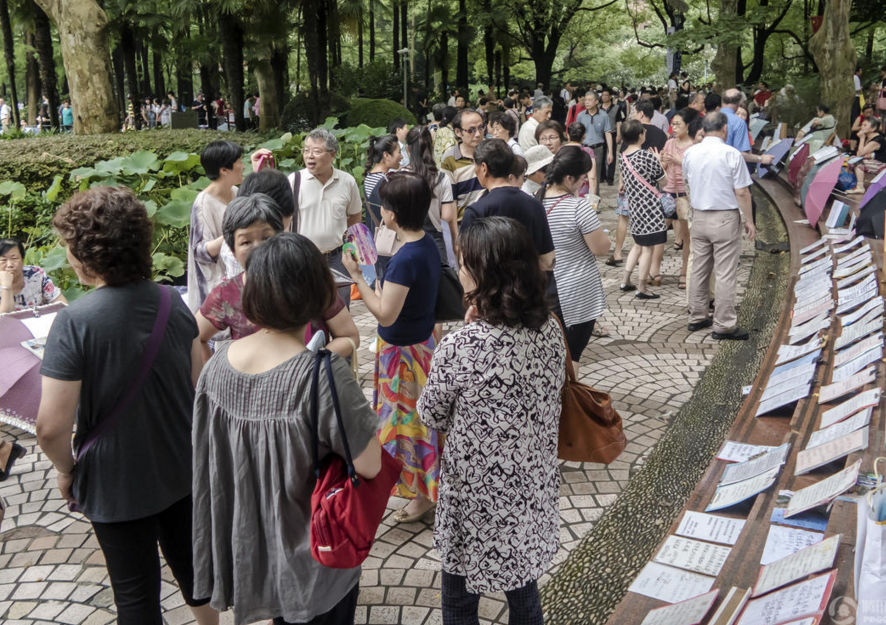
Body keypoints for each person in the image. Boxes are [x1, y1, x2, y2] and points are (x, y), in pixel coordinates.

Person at [36, 187, 218, 625]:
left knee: (135, 597)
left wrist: (66, 469)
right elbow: (199, 384)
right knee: (194, 573)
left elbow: (50, 428)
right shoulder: (172, 303)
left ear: (88, 253)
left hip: (115, 480)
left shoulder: (74, 322)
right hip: (179, 465)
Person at [192, 233, 382, 625]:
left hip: (250, 549)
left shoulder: (216, 368)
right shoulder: (322, 376)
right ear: (319, 295)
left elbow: (210, 465)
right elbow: (370, 465)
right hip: (316, 556)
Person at [417, 216, 565, 625]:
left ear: (484, 274)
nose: (460, 271)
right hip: (530, 482)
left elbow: (430, 413)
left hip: (474, 495)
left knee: (460, 598)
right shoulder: (550, 329)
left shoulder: (461, 345)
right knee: (523, 588)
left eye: (464, 264)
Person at [341, 171, 441, 524]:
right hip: (420, 345)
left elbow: (384, 314)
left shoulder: (405, 258)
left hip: (403, 354)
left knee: (408, 424)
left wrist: (356, 276)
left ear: (392, 214)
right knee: (418, 420)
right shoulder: (424, 244)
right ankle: (423, 488)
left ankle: (424, 493)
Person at [197, 193, 359, 363]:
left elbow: (349, 336)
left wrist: (310, 363)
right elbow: (196, 335)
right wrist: (207, 379)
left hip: (309, 384)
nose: (259, 248)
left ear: (282, 237)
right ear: (232, 250)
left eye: (266, 238)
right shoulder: (226, 294)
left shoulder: (310, 281)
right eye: (246, 242)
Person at [682, 112, 755, 340]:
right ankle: (723, 324)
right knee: (724, 272)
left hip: (700, 216)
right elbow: (742, 191)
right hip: (724, 217)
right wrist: (749, 220)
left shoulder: (690, 153)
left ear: (703, 129)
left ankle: (696, 316)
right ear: (724, 128)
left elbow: (687, 183)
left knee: (699, 268)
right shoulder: (731, 154)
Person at [539, 147, 609, 364]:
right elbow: (601, 248)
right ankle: (568, 398)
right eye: (582, 178)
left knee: (550, 356)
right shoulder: (578, 207)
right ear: (569, 178)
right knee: (571, 358)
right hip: (575, 293)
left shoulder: (534, 200)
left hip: (542, 289)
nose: (584, 183)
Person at [290, 127, 364, 305]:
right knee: (306, 311)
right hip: (304, 259)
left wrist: (348, 247)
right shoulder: (294, 180)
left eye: (316, 151)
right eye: (306, 150)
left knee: (341, 308)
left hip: (337, 259)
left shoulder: (347, 181)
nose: (309, 156)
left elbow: (355, 215)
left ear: (332, 155)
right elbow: (284, 221)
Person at [462, 139, 556, 273]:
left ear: (483, 168)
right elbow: (548, 261)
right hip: (529, 289)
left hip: (491, 291)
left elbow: (468, 266)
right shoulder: (535, 205)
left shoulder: (476, 212)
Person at [187, 140, 245, 312]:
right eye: (239, 162)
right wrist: (232, 233)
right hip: (214, 285)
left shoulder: (235, 192)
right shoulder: (203, 203)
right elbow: (200, 251)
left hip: (236, 277)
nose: (243, 166)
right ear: (224, 170)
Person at [617, 120, 667, 298]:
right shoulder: (647, 156)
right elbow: (664, 181)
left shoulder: (623, 156)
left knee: (638, 245)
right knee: (647, 249)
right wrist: (659, 161)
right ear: (640, 136)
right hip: (650, 208)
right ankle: (642, 287)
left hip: (635, 207)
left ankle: (625, 280)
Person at [405, 125, 457, 263]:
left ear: (407, 148)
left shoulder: (397, 177)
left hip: (405, 242)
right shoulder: (441, 177)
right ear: (431, 146)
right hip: (435, 242)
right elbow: (447, 215)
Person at [661, 108, 698, 290]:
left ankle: (684, 272)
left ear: (688, 126)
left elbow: (698, 172)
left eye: (677, 124)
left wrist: (680, 161)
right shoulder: (669, 143)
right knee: (658, 232)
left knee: (686, 237)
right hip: (668, 193)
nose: (673, 127)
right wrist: (659, 161)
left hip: (685, 195)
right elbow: (663, 168)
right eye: (672, 124)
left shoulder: (694, 146)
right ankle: (653, 271)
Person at [441, 109, 487, 220]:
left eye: (481, 128)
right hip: (466, 224)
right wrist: (456, 235)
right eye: (471, 130)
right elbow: (450, 201)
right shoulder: (449, 160)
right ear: (458, 132)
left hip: (492, 221)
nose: (477, 134)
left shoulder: (492, 150)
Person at [0, 237, 67, 313]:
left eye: (14, 258)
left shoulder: (36, 274)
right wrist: (7, 287)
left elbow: (60, 303)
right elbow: (3, 319)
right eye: (3, 260)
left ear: (22, 260)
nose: (9, 264)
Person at [577, 91, 614, 188]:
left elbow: (608, 133)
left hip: (598, 149)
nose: (587, 102)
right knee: (581, 176)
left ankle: (595, 201)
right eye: (585, 100)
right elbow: (577, 134)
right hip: (583, 149)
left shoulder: (604, 115)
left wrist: (610, 152)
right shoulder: (580, 116)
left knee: (595, 178)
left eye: (590, 100)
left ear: (597, 101)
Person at [848, 116, 886, 195]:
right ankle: (852, 183)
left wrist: (861, 138)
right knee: (852, 159)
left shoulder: (877, 139)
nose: (862, 127)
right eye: (862, 125)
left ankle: (860, 187)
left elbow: (861, 154)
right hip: (875, 162)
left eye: (865, 125)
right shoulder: (868, 136)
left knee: (858, 162)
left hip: (883, 165)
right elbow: (859, 154)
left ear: (873, 128)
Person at [363, 134, 401, 208]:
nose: (402, 156)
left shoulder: (368, 178)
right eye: (399, 152)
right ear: (386, 155)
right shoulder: (386, 182)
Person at [565, 122, 598, 197]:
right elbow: (592, 177)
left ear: (568, 136)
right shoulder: (587, 151)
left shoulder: (560, 150)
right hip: (582, 193)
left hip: (564, 193)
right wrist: (592, 199)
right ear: (584, 137)